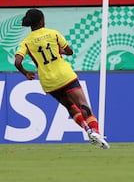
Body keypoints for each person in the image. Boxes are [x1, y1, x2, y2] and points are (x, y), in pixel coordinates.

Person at [14, 8, 110, 149]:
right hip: (65, 75)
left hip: (48, 81)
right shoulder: (53, 33)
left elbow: (17, 61)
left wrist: (26, 73)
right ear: (42, 21)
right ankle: (96, 131)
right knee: (82, 103)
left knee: (69, 106)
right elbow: (69, 51)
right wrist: (61, 51)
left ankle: (87, 130)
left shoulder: (26, 42)